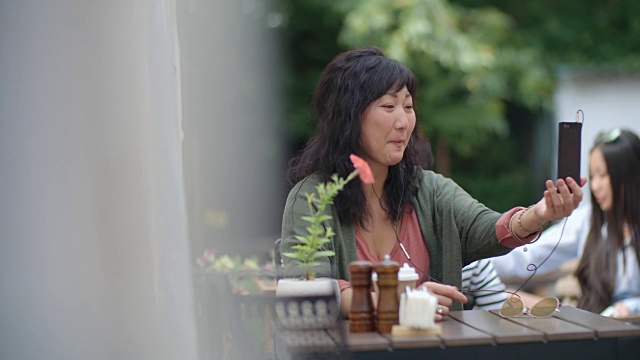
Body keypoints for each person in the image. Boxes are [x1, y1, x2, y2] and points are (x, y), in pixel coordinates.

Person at [280, 47, 585, 320]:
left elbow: (490, 230)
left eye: (408, 107)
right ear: (348, 117)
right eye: (388, 107)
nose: (403, 122)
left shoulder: (427, 189)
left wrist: (542, 212)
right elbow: (309, 289)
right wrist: (404, 302)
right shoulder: (313, 198)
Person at [493, 128, 640, 317]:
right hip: (595, 330)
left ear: (630, 175)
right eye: (593, 176)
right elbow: (529, 257)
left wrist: (630, 307)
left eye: (603, 175)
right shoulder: (587, 221)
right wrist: (471, 264)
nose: (595, 186)